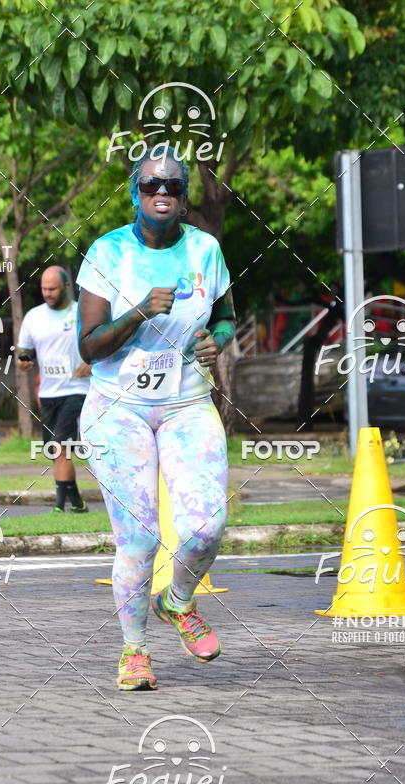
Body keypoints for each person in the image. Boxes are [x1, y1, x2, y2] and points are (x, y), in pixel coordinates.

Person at [77, 146, 236, 691]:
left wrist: (215, 343)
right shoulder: (108, 252)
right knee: (139, 538)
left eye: (172, 185)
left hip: (188, 402)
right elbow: (91, 346)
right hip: (116, 410)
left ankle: (178, 602)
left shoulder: (206, 250)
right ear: (135, 193)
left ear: (184, 195)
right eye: (151, 186)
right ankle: (135, 651)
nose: (162, 192)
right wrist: (140, 310)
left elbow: (227, 318)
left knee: (205, 526)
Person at [17, 266, 90, 513]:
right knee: (55, 450)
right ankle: (78, 502)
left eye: (53, 289)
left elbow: (105, 344)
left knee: (61, 447)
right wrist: (24, 362)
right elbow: (24, 351)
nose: (47, 293)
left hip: (77, 389)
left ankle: (59, 505)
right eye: (44, 289)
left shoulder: (82, 312)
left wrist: (91, 363)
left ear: (66, 287)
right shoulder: (33, 317)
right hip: (48, 393)